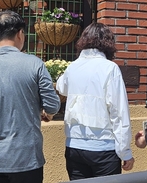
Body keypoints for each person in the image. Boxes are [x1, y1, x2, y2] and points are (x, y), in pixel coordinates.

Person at [0, 10, 61, 182]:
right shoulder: (35, 65)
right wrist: (47, 113)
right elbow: (53, 105)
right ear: (20, 34)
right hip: (27, 159)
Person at [55, 23, 135, 180]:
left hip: (74, 146)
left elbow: (61, 87)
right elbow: (119, 113)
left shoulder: (73, 67)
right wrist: (125, 152)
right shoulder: (109, 68)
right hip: (103, 148)